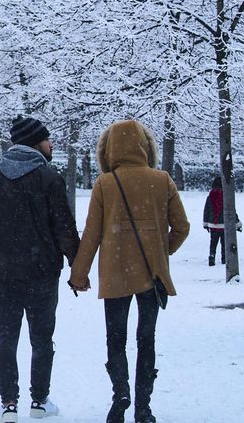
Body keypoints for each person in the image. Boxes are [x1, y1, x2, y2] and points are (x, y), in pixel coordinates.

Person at [69, 120, 190, 423]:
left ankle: (120, 392)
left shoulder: (105, 184)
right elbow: (183, 227)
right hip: (152, 274)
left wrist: (79, 274)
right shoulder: (162, 180)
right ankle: (144, 407)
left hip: (116, 272)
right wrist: (164, 251)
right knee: (146, 338)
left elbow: (92, 234)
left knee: (116, 337)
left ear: (108, 149)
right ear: (145, 146)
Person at [0, 117, 81, 423]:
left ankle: (8, 403)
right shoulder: (48, 178)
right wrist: (77, 265)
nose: (52, 144)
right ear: (35, 143)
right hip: (42, 273)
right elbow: (64, 228)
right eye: (47, 139)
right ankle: (39, 400)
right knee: (42, 339)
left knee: (5, 336)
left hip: (3, 274)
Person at [202, 176, 241, 266]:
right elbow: (232, 211)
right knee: (224, 243)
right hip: (224, 225)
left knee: (213, 242)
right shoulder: (226, 196)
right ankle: (224, 258)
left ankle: (212, 257)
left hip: (213, 224)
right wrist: (238, 224)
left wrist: (205, 223)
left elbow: (206, 210)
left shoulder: (210, 196)